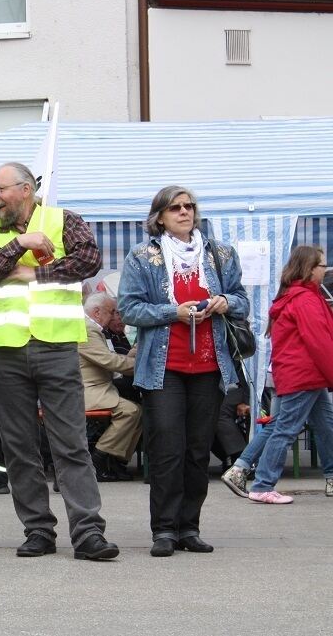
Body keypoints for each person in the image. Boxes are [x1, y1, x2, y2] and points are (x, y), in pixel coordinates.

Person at [0, 162, 118, 561]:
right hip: (6, 352)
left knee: (70, 443)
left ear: (25, 189)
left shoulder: (63, 220)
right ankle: (38, 529)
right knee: (19, 446)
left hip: (55, 348)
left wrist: (34, 274)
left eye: (0, 189)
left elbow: (88, 260)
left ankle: (87, 532)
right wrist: (19, 245)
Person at [118, 185, 249, 557]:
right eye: (175, 207)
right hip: (165, 369)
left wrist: (225, 301)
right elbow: (128, 309)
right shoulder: (143, 256)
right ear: (159, 216)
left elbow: (243, 300)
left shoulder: (221, 253)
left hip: (210, 366)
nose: (184, 212)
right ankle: (163, 530)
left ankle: (189, 527)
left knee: (197, 452)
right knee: (166, 451)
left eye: (189, 206)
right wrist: (171, 312)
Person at [244, 246, 333, 504]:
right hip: (304, 375)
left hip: (300, 374)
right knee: (284, 431)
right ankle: (262, 485)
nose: (325, 269)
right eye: (322, 265)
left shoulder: (294, 296)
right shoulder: (305, 299)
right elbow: (320, 342)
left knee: (324, 426)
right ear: (309, 269)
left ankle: (330, 473)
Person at [79, 293, 141, 482]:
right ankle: (99, 459)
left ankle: (114, 461)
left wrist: (131, 356)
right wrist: (140, 364)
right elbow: (108, 361)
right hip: (88, 390)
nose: (114, 316)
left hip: (97, 387)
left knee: (136, 411)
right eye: (111, 311)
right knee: (132, 411)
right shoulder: (87, 329)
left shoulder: (90, 327)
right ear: (97, 312)